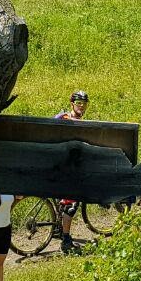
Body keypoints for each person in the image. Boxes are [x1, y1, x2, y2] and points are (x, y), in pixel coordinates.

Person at [53, 90, 89, 253]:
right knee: (72, 204)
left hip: (64, 165)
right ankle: (66, 240)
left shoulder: (66, 118)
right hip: (64, 167)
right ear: (72, 103)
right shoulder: (65, 119)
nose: (81, 106)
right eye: (78, 103)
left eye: (84, 104)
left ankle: (58, 227)